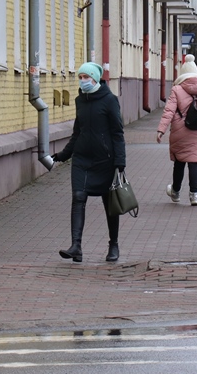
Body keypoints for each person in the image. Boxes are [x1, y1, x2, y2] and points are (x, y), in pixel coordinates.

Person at [52, 62, 126, 263]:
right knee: (78, 197)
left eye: (86, 77)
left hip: (105, 160)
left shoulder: (110, 100)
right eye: (80, 77)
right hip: (82, 159)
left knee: (109, 203)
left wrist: (120, 161)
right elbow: (78, 132)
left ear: (95, 78)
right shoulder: (80, 101)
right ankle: (76, 246)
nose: (83, 81)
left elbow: (117, 133)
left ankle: (113, 244)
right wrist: (63, 155)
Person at [157, 54, 197, 206]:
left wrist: (161, 130)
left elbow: (169, 111)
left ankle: (175, 192)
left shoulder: (177, 89)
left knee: (179, 163)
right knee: (194, 162)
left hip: (179, 131)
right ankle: (194, 196)